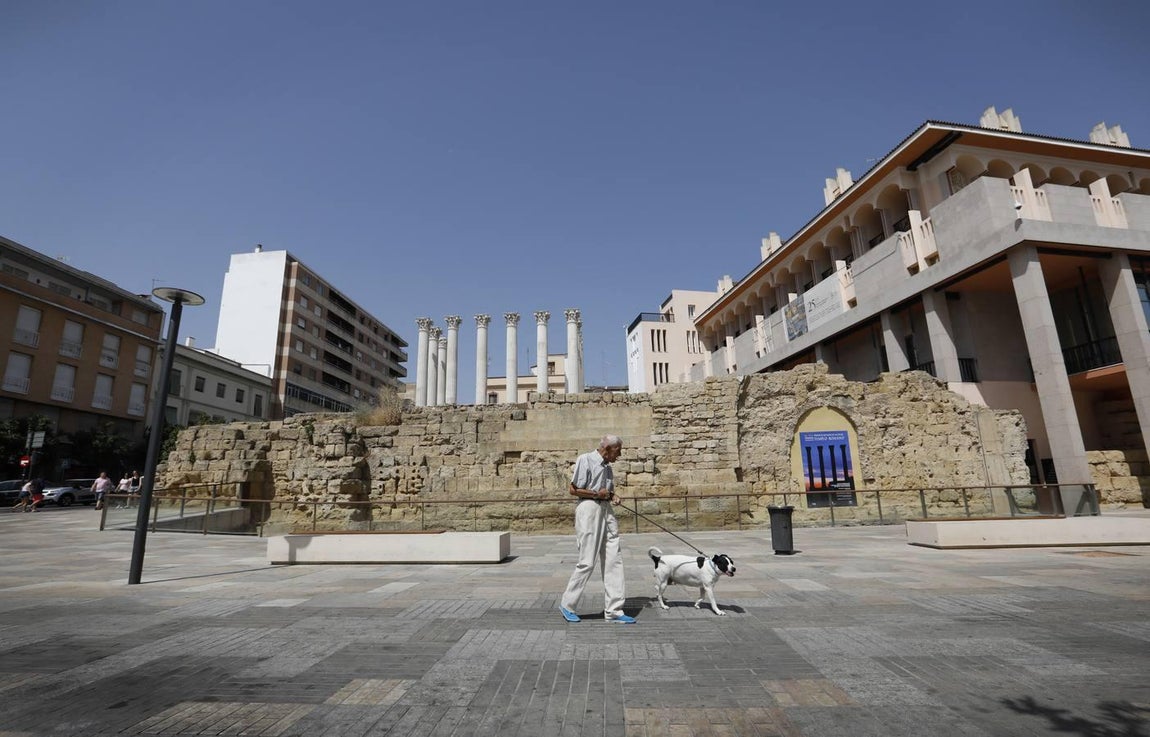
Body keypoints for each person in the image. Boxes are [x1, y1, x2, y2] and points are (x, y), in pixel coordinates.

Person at [559, 435, 635, 624]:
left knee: (614, 559)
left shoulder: (608, 468)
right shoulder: (586, 459)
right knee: (587, 561)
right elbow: (573, 489)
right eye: (618, 451)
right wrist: (596, 493)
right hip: (589, 509)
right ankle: (567, 604)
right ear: (608, 448)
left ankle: (614, 610)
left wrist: (613, 496)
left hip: (606, 511)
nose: (619, 455)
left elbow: (606, 491)